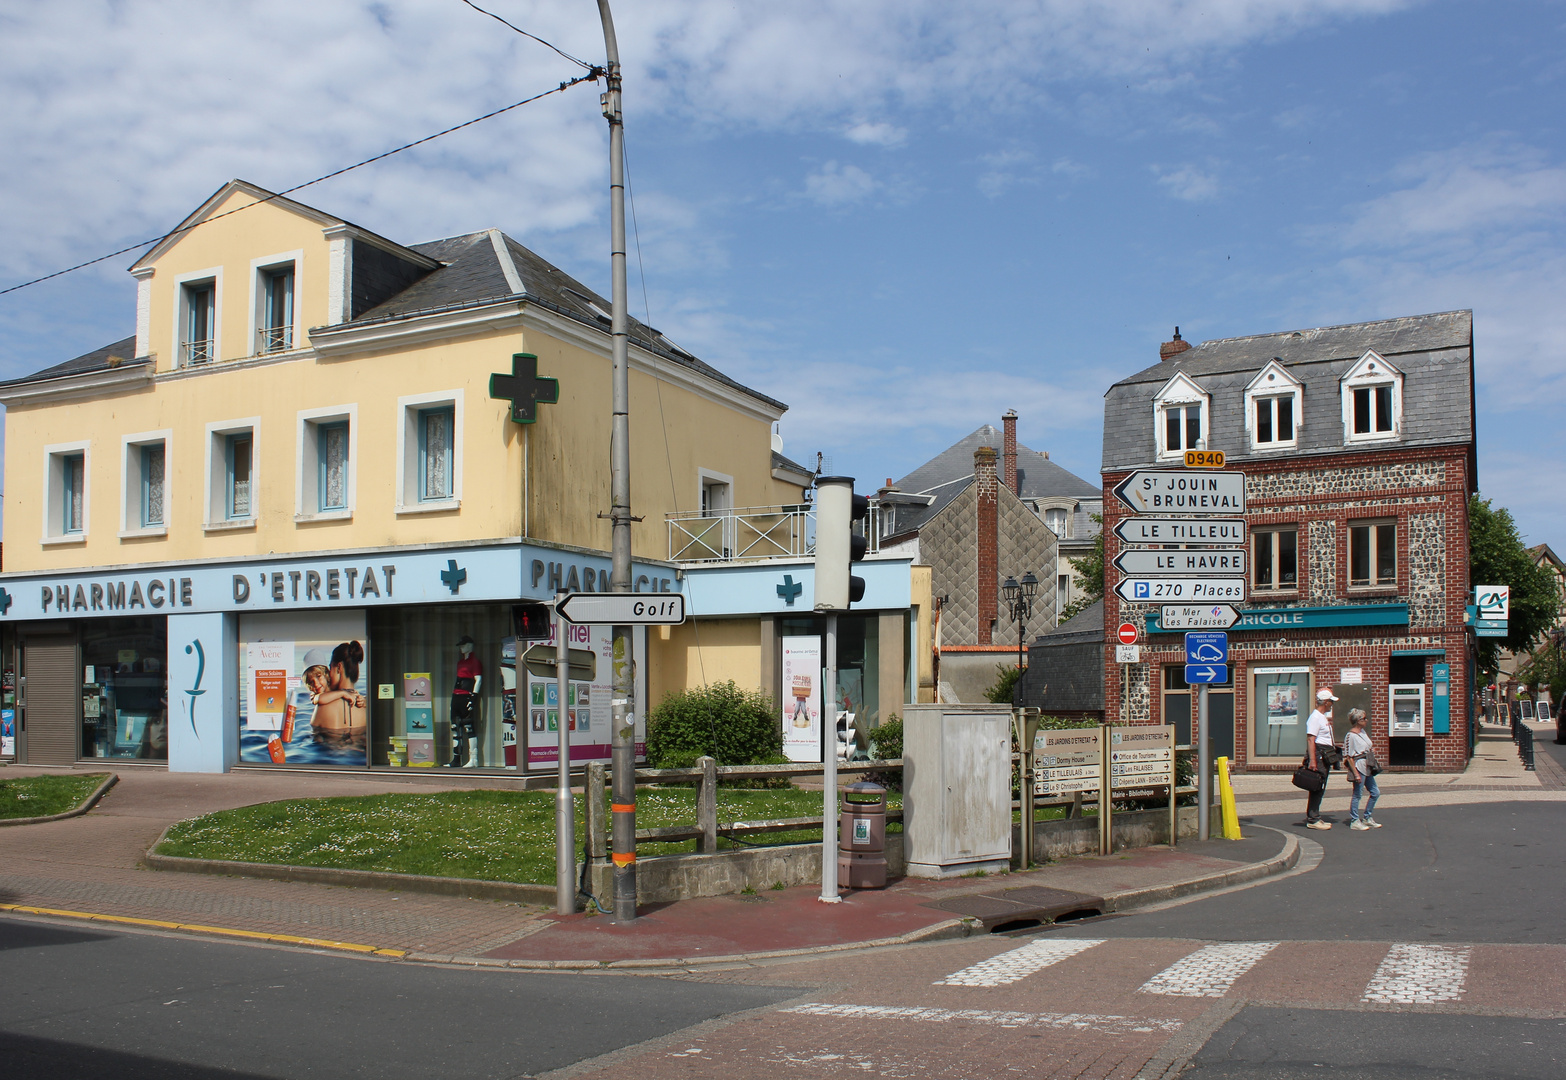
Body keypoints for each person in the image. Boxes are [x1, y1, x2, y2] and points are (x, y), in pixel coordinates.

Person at [311, 641, 366, 734]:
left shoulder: (323, 706)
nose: (328, 673)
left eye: (330, 667)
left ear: (339, 667)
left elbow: (314, 741)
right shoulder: (365, 706)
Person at [1303, 687, 1339, 829]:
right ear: (1325, 702)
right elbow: (1311, 739)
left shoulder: (1321, 717)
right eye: (1331, 701)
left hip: (1324, 753)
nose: (1332, 704)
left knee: (1320, 786)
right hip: (1319, 754)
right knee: (1317, 786)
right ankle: (1313, 818)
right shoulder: (1315, 717)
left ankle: (1315, 815)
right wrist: (1313, 761)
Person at [1343, 707, 1382, 829]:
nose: (1367, 720)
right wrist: (1355, 774)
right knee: (1357, 794)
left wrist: (1371, 751)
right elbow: (1349, 757)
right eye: (1364, 718)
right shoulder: (1351, 736)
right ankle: (1354, 820)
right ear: (1358, 720)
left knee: (1375, 792)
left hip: (1368, 765)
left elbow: (1366, 746)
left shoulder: (1363, 732)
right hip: (1359, 766)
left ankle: (1367, 817)